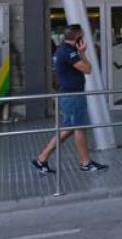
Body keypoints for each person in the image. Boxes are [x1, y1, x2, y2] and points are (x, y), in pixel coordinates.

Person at [31, 25, 108, 175]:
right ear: (77, 37)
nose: (84, 38)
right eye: (82, 35)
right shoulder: (69, 52)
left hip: (70, 94)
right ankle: (85, 163)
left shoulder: (63, 50)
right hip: (72, 95)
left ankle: (42, 158)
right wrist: (83, 53)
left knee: (68, 129)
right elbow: (87, 69)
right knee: (79, 128)